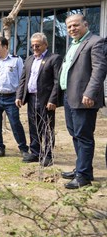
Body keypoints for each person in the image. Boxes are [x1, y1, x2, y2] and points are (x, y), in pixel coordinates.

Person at [59, 14, 107, 189]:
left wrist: (90, 93)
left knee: (84, 137)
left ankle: (83, 176)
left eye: (75, 25)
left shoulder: (95, 42)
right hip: (69, 96)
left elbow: (99, 70)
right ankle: (83, 168)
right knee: (75, 134)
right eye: (69, 26)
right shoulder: (74, 44)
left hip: (84, 98)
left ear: (85, 25)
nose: (72, 29)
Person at [16, 33, 62, 167]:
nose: (35, 47)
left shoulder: (54, 58)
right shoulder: (29, 59)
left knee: (47, 127)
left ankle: (48, 155)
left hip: (46, 100)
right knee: (33, 126)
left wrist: (53, 99)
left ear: (45, 45)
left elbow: (57, 81)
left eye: (38, 45)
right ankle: (35, 152)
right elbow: (23, 79)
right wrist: (19, 96)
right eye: (32, 45)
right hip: (31, 98)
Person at [0, 37, 29, 159]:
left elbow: (21, 80)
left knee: (15, 123)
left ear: (5, 47)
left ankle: (23, 148)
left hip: (11, 97)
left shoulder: (16, 60)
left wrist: (20, 96)